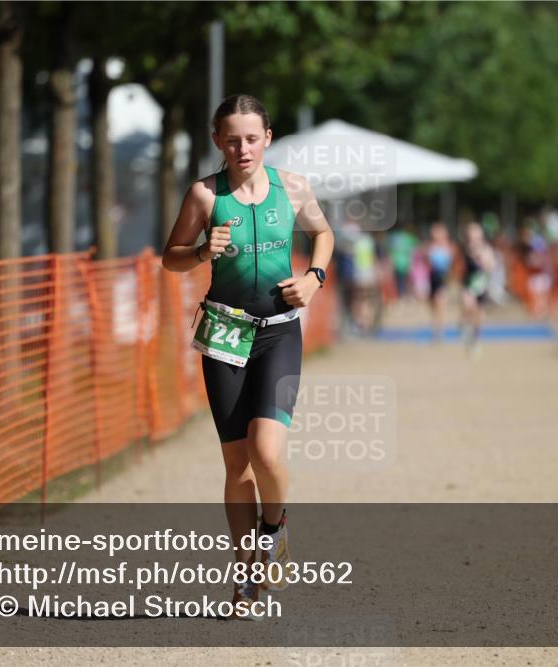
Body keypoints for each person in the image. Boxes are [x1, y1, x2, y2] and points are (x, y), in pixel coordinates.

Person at [162, 94, 334, 616]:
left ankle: (275, 526)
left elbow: (323, 234)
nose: (242, 148)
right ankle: (245, 579)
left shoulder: (293, 188)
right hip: (224, 334)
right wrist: (199, 253)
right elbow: (170, 258)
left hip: (280, 332)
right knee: (237, 464)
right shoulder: (204, 195)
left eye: (252, 138)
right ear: (217, 141)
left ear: (268, 139)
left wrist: (314, 277)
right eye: (232, 139)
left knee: (268, 452)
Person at [459, 221, 495, 353]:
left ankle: (475, 340)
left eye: (475, 232)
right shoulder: (466, 248)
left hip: (482, 285)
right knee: (468, 305)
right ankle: (464, 325)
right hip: (468, 284)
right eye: (471, 232)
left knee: (479, 315)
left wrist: (484, 261)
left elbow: (491, 266)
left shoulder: (486, 249)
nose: (473, 234)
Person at [424, 222, 455, 340]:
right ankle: (435, 329)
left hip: (443, 278)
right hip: (432, 278)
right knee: (433, 306)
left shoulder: (449, 247)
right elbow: (426, 264)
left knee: (440, 303)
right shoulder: (430, 247)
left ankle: (440, 330)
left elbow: (452, 265)